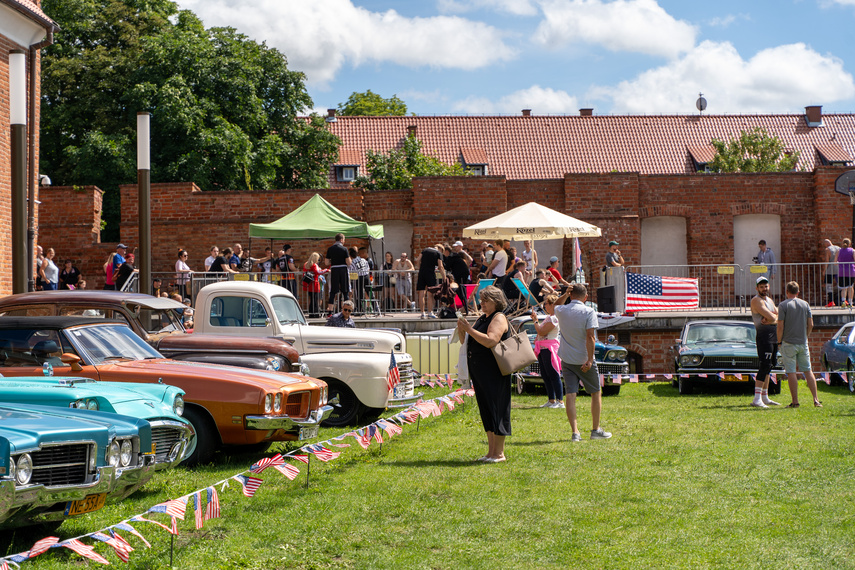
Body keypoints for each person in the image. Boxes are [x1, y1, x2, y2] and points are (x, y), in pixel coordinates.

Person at [456, 285, 511, 463]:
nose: (482, 303)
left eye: (485, 300)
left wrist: (469, 329)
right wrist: (461, 328)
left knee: (497, 407)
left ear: (496, 301)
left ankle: (499, 453)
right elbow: (466, 340)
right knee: (486, 409)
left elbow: (491, 341)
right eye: (481, 299)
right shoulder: (482, 318)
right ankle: (490, 452)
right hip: (480, 371)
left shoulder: (499, 317)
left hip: (494, 371)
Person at [554, 283, 612, 441]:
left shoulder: (562, 310)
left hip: (567, 358)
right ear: (586, 298)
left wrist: (565, 294)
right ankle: (595, 430)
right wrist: (590, 360)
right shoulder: (589, 311)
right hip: (583, 359)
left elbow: (554, 306)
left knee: (570, 395)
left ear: (571, 295)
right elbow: (590, 337)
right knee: (595, 392)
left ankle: (575, 433)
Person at [777, 281, 822, 408]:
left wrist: (779, 341)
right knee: (808, 370)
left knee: (791, 372)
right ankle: (816, 400)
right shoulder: (805, 304)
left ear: (786, 292)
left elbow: (780, 325)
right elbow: (811, 324)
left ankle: (795, 401)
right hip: (803, 342)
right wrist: (806, 336)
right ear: (798, 292)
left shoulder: (783, 305)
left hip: (788, 342)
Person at [750, 275, 780, 408]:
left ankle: (765, 397)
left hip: (773, 335)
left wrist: (773, 318)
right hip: (763, 336)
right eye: (761, 286)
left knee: (770, 366)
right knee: (764, 365)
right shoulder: (756, 300)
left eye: (766, 286)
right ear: (757, 288)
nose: (764, 288)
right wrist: (773, 317)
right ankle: (757, 399)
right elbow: (772, 315)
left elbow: (778, 316)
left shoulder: (769, 300)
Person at [532, 293, 564, 409]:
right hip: (542, 348)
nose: (545, 305)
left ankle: (560, 401)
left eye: (546, 303)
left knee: (553, 374)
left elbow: (541, 332)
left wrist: (535, 321)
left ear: (552, 305)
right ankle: (551, 400)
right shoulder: (548, 317)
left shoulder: (554, 318)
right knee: (545, 375)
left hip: (550, 349)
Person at [416, 244, 445, 319]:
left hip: (422, 273)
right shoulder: (438, 253)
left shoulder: (425, 250)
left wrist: (420, 269)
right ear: (440, 249)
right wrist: (444, 277)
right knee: (430, 294)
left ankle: (422, 313)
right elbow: (440, 266)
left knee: (421, 293)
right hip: (430, 273)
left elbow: (418, 260)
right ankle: (430, 312)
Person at [325, 233, 351, 314]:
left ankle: (330, 311)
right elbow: (349, 262)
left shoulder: (330, 249)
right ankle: (347, 311)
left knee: (333, 291)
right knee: (345, 291)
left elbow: (326, 262)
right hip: (343, 269)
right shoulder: (344, 249)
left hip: (334, 270)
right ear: (341, 240)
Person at [446, 241, 473, 315]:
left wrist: (466, 267)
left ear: (460, 246)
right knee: (461, 291)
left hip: (462, 275)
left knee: (461, 291)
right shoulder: (456, 254)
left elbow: (470, 259)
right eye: (455, 246)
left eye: (457, 246)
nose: (455, 247)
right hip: (462, 273)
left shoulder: (461, 252)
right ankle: (464, 307)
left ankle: (464, 307)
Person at [302, 252, 328, 318]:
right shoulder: (314, 265)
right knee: (316, 299)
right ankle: (316, 313)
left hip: (309, 284)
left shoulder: (306, 264)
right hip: (315, 284)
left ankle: (311, 313)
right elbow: (318, 272)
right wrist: (326, 270)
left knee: (311, 299)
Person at [835, 238, 855, 307]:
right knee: (850, 287)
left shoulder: (839, 251)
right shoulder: (852, 251)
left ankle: (843, 301)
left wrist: (840, 263)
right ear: (850, 244)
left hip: (841, 271)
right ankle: (850, 303)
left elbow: (835, 262)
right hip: (851, 271)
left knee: (843, 288)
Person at [349, 246, 370, 312]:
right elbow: (368, 268)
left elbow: (351, 272)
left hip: (358, 278)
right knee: (370, 292)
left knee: (359, 294)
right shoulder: (363, 260)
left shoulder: (352, 262)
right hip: (366, 276)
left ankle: (360, 309)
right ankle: (375, 308)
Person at [822, 239, 841, 307]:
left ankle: (831, 301)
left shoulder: (828, 249)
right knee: (841, 285)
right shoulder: (839, 248)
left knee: (828, 285)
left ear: (826, 244)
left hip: (830, 269)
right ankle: (843, 300)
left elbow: (827, 260)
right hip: (838, 268)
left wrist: (824, 270)